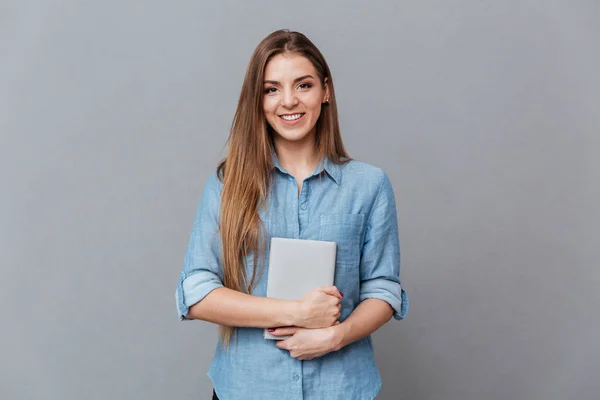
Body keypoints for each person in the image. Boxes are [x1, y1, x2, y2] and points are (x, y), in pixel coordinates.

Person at [175, 29, 408, 400]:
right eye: (271, 89)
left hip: (342, 389)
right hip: (247, 388)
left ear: (325, 91)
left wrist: (336, 336)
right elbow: (196, 292)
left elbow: (383, 289)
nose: (288, 101)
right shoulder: (227, 185)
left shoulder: (370, 185)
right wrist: (296, 312)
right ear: (258, 100)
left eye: (303, 85)